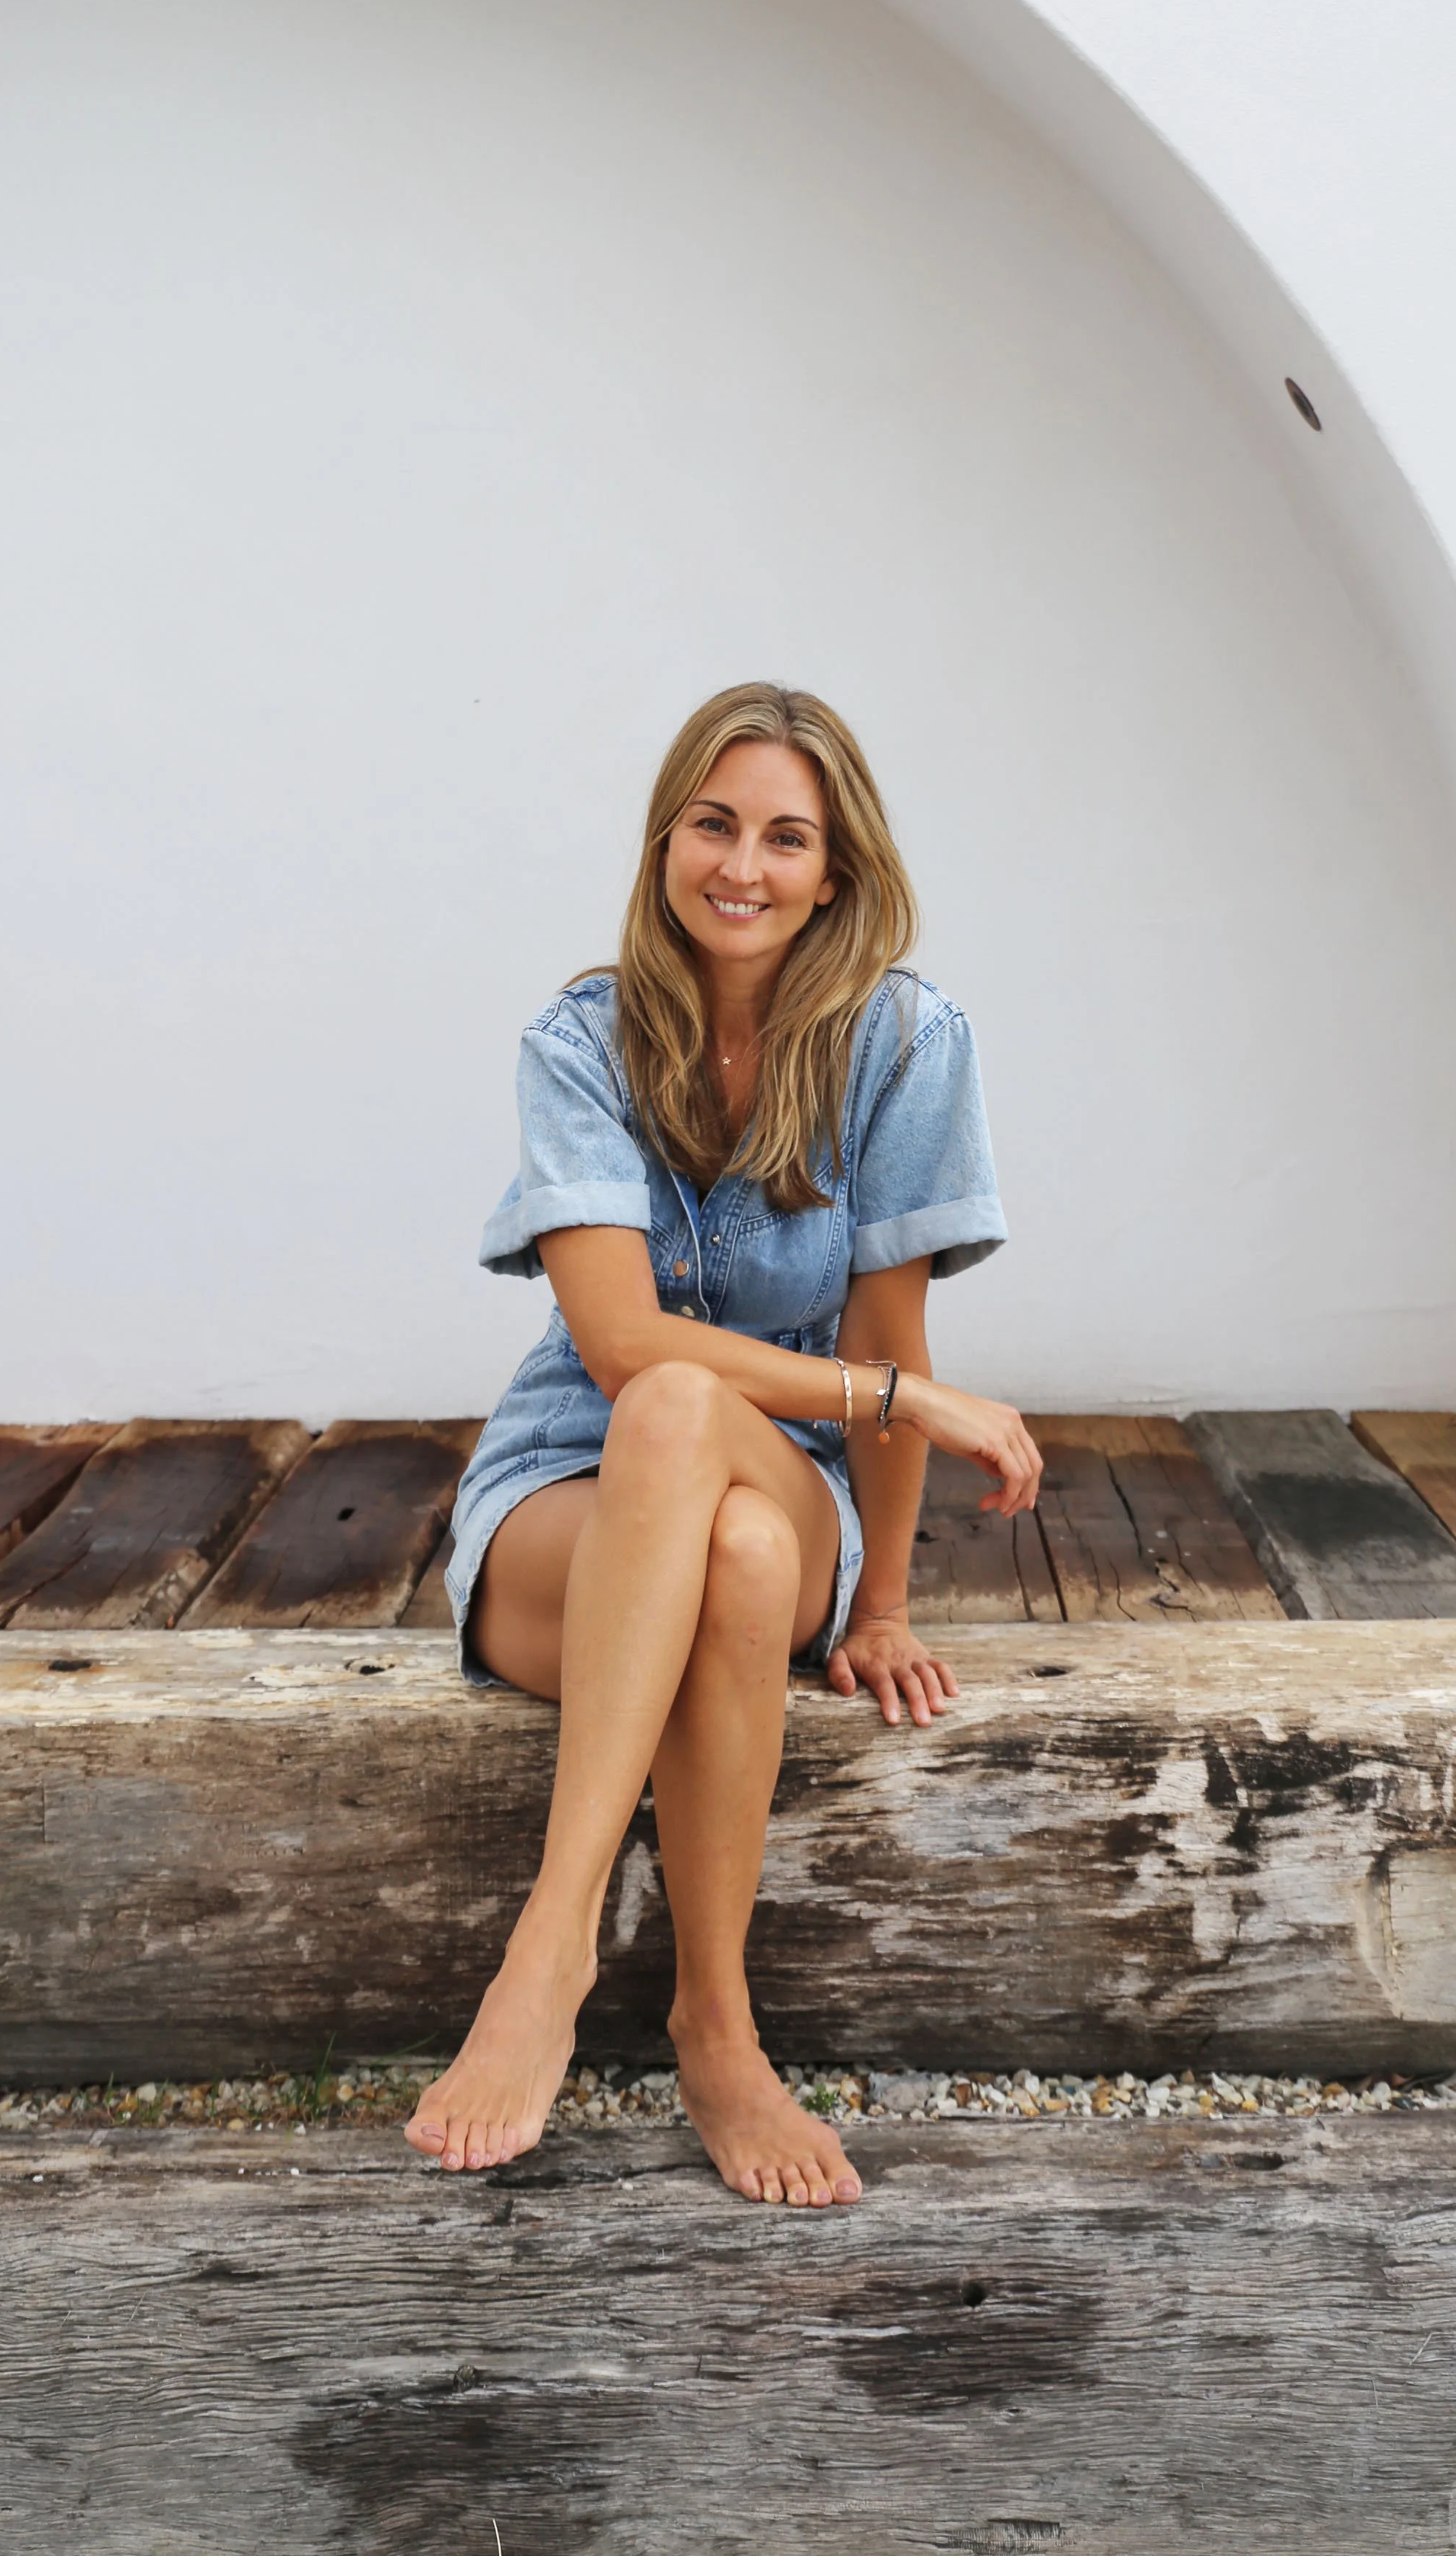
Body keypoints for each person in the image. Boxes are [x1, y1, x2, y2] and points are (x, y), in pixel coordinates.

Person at [404, 682, 1041, 2209]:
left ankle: (556, 1962)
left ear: (834, 871)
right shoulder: (578, 1044)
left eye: (784, 837)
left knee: (716, 1452)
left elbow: (886, 1324)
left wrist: (883, 1606)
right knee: (713, 1505)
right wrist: (909, 1405)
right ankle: (705, 2023)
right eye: (713, 825)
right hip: (565, 1486)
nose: (741, 866)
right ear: (665, 842)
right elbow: (621, 1349)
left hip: (786, 1465)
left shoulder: (904, 1042)